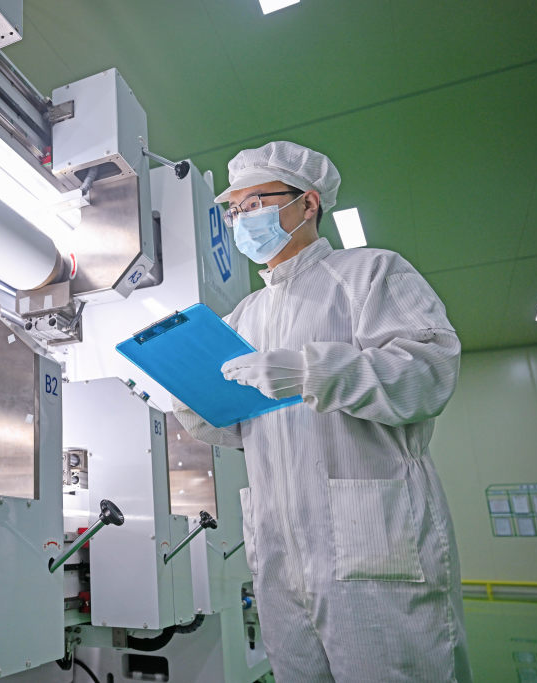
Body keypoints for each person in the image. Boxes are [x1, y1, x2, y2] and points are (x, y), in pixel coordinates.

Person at [173, 141, 471, 682]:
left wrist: (313, 372)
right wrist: (189, 398)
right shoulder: (243, 316)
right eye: (234, 211)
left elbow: (428, 374)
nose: (242, 220)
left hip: (372, 547)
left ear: (307, 203)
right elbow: (241, 430)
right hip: (280, 557)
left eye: (254, 203)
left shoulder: (370, 273)